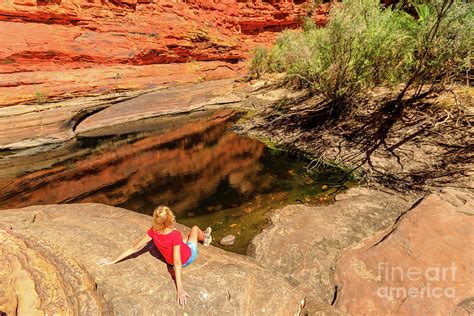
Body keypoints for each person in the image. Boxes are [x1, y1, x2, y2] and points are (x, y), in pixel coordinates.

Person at [97, 205, 212, 306]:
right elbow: (177, 263)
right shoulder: (175, 235)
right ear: (170, 220)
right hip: (187, 257)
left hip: (172, 257)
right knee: (195, 229)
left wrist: (113, 260)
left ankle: (196, 238)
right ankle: (206, 238)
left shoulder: (154, 231)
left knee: (185, 238)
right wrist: (180, 289)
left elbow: (134, 247)